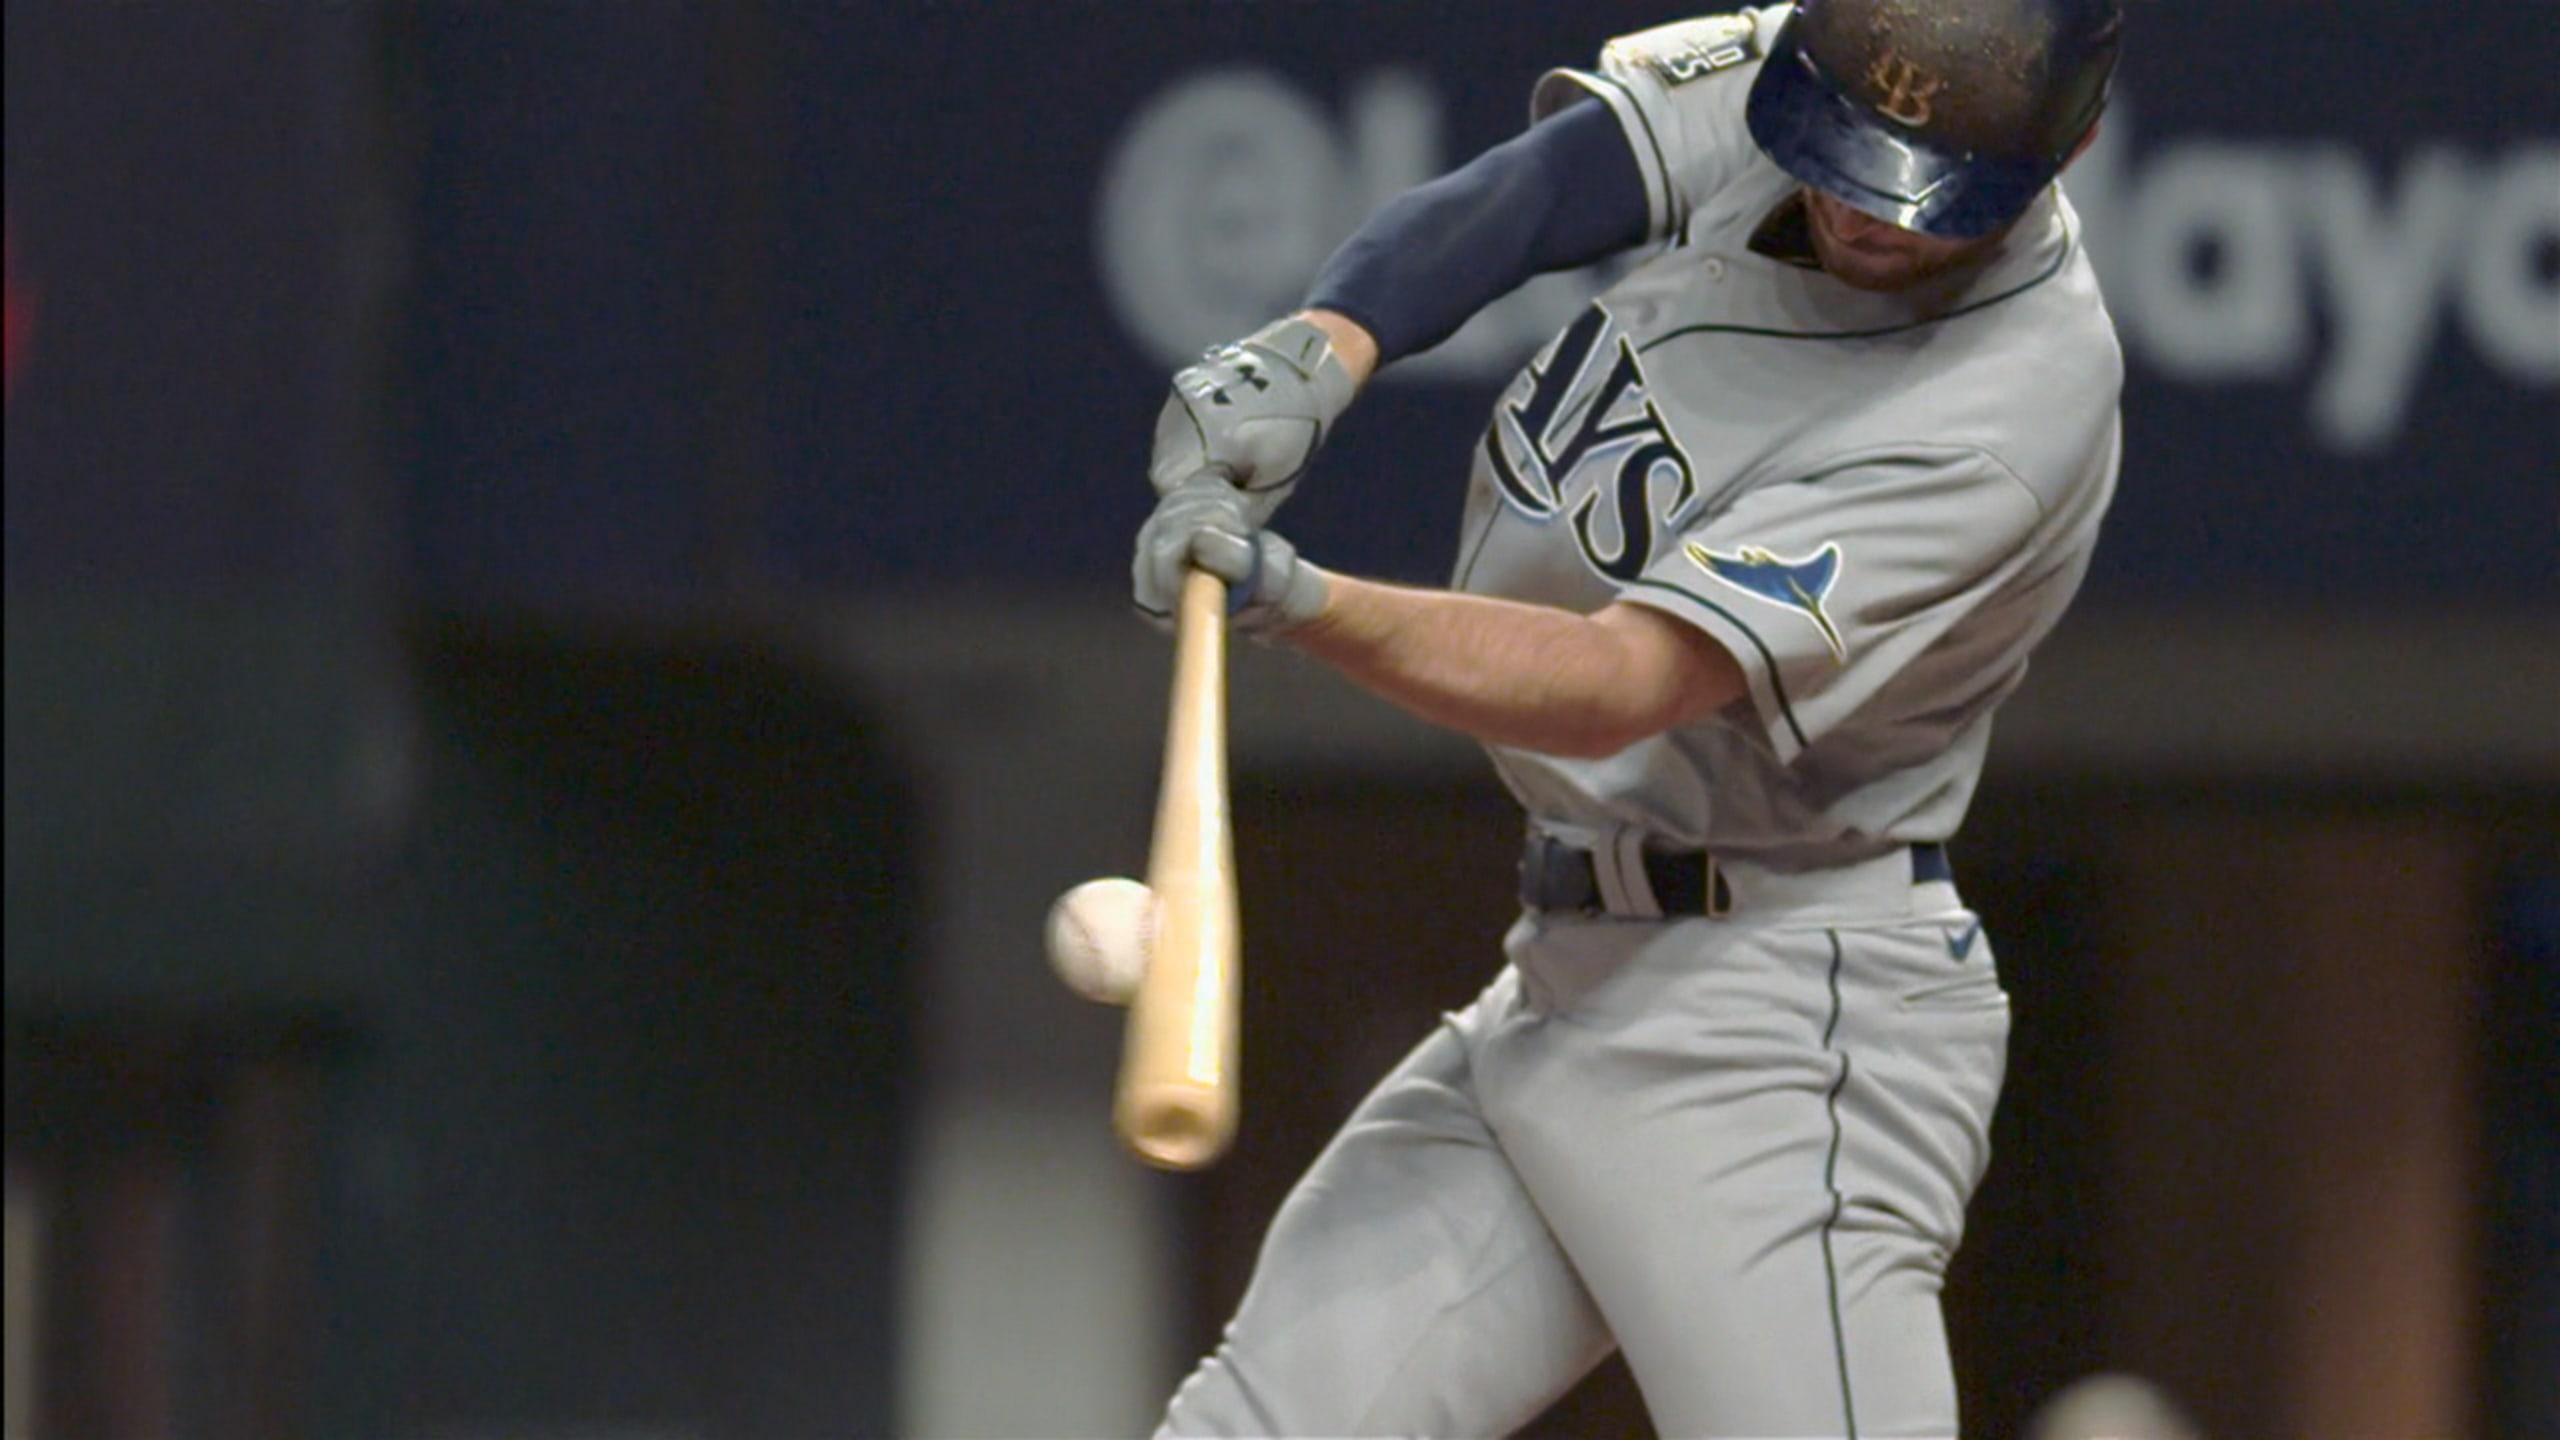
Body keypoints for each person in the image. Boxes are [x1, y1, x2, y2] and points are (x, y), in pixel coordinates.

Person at [1130, 0, 2125, 1434]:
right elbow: (1553, 181)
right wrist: (1324, 343)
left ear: (2073, 140)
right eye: (1837, 148)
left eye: (1915, 184)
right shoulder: (1818, 56)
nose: (1861, 207)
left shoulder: (2013, 400)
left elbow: (1622, 685)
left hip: (1779, 1022)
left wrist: (1303, 598)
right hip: (1574, 970)